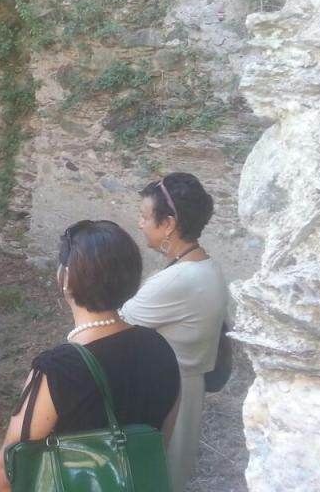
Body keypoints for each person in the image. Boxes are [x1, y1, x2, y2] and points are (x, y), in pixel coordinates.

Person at [0, 220, 180, 492]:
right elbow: (161, 438)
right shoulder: (160, 347)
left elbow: (9, 465)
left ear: (65, 277)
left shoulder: (59, 369)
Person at [120, 172, 228, 492]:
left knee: (151, 476)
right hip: (187, 388)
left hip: (165, 396)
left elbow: (115, 329)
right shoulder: (207, 266)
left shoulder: (178, 280)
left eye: (144, 216)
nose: (139, 224)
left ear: (168, 223)